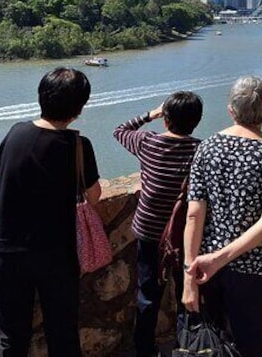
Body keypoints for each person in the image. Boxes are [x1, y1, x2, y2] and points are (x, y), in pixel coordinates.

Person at [0, 67, 101, 356]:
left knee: (11, 336)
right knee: (62, 333)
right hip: (56, 255)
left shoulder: (16, 132)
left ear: (41, 97)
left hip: (6, 249)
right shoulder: (78, 145)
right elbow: (94, 196)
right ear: (79, 109)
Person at [181, 76, 262, 357]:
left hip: (206, 266)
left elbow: (194, 214)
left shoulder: (207, 147)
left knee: (211, 344)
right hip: (253, 268)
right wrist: (222, 258)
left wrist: (189, 276)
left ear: (230, 109)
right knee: (250, 344)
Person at [113, 91, 203, 357]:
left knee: (148, 293)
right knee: (187, 291)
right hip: (184, 235)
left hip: (150, 232)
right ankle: (186, 345)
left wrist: (150, 113)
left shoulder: (148, 143)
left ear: (166, 120)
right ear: (196, 120)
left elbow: (120, 130)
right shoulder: (201, 150)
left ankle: (144, 349)